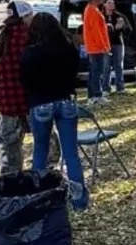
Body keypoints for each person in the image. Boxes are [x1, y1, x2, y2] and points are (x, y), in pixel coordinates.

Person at [20, 12, 89, 211]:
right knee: (71, 153)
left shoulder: (30, 53)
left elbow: (25, 81)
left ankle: (40, 197)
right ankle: (79, 200)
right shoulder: (69, 49)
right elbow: (76, 73)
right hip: (65, 100)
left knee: (40, 150)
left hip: (40, 102)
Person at [0, 1, 34, 171]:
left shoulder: (4, 35)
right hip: (29, 95)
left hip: (7, 95)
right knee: (44, 135)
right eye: (30, 15)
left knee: (9, 140)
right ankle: (47, 168)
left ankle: (11, 173)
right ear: (24, 17)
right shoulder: (28, 35)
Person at [81, 0, 109, 102]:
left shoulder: (90, 9)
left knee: (93, 72)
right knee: (97, 72)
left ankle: (92, 95)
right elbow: (96, 31)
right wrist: (103, 46)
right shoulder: (92, 11)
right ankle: (97, 95)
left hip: (93, 46)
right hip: (96, 47)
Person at [103, 0, 130, 95]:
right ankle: (106, 88)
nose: (111, 5)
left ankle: (120, 87)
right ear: (104, 4)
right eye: (109, 3)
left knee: (118, 65)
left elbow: (128, 30)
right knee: (106, 66)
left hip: (117, 43)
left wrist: (122, 26)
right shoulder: (101, 16)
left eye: (113, 3)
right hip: (105, 44)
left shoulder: (119, 16)